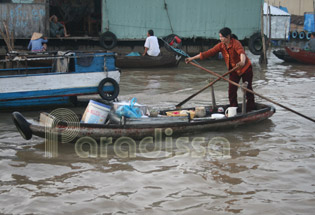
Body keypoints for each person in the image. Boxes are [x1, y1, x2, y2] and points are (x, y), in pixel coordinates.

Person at [185, 27, 255, 112]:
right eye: (220, 37)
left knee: (247, 89)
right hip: (234, 70)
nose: (220, 38)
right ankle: (234, 108)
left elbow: (242, 53)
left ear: (228, 36)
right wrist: (191, 58)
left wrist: (242, 62)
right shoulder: (221, 45)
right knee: (231, 91)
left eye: (222, 37)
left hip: (245, 68)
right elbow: (208, 53)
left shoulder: (236, 43)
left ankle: (250, 108)